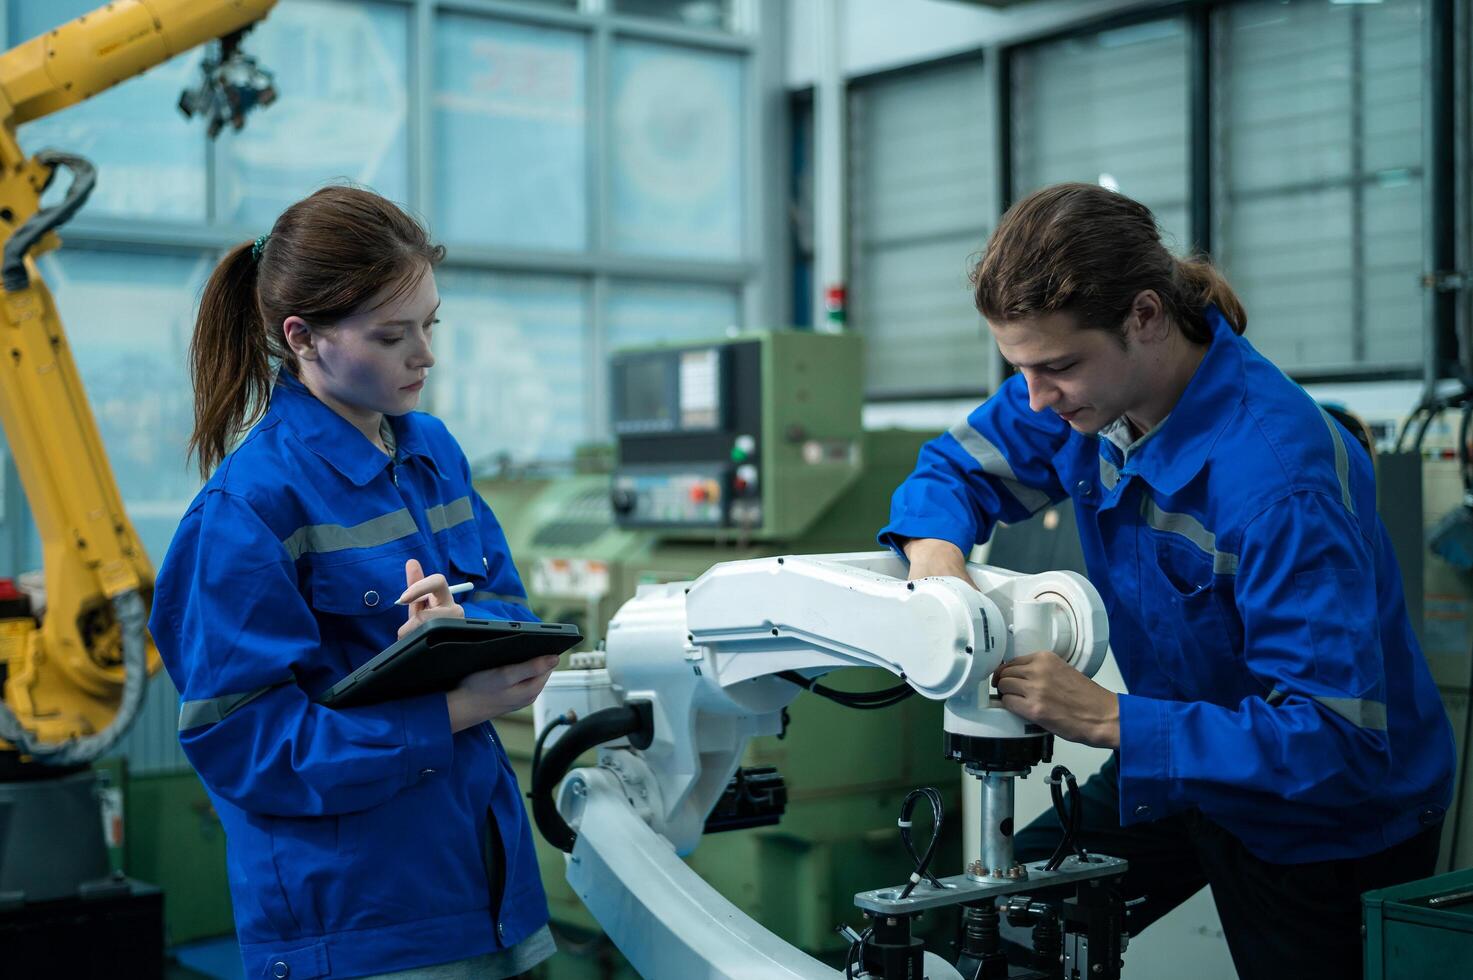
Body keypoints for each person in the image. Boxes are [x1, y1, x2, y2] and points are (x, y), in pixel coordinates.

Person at [879, 183, 1455, 980]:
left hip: (1323, 818)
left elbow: (1337, 739)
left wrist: (1112, 719)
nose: (1036, 398)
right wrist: (936, 565)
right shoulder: (1082, 397)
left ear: (1144, 316)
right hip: (1178, 762)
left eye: (1057, 367)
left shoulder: (1276, 481)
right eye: (1020, 368)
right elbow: (953, 468)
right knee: (991, 934)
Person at [150, 185, 559, 980]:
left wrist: (466, 631)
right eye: (391, 334)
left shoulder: (433, 450)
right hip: (359, 926)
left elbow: (510, 601)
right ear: (302, 339)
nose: (425, 355)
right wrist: (450, 709)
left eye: (430, 325)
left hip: (493, 893)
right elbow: (247, 747)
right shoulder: (245, 511)